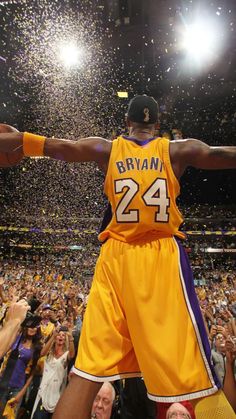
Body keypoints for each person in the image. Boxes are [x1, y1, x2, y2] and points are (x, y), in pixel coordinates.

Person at [0, 95, 236, 419]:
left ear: (126, 123)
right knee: (197, 378)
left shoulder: (108, 148)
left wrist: (19, 140)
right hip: (159, 257)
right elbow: (219, 154)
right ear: (157, 126)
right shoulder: (176, 149)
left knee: (85, 374)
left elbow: (62, 147)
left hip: (115, 259)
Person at [31, 327, 75, 418]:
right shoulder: (49, 353)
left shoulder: (66, 354)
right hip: (43, 394)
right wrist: (52, 336)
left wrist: (71, 338)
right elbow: (42, 353)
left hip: (57, 396)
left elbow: (72, 355)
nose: (61, 336)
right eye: (59, 334)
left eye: (63, 335)